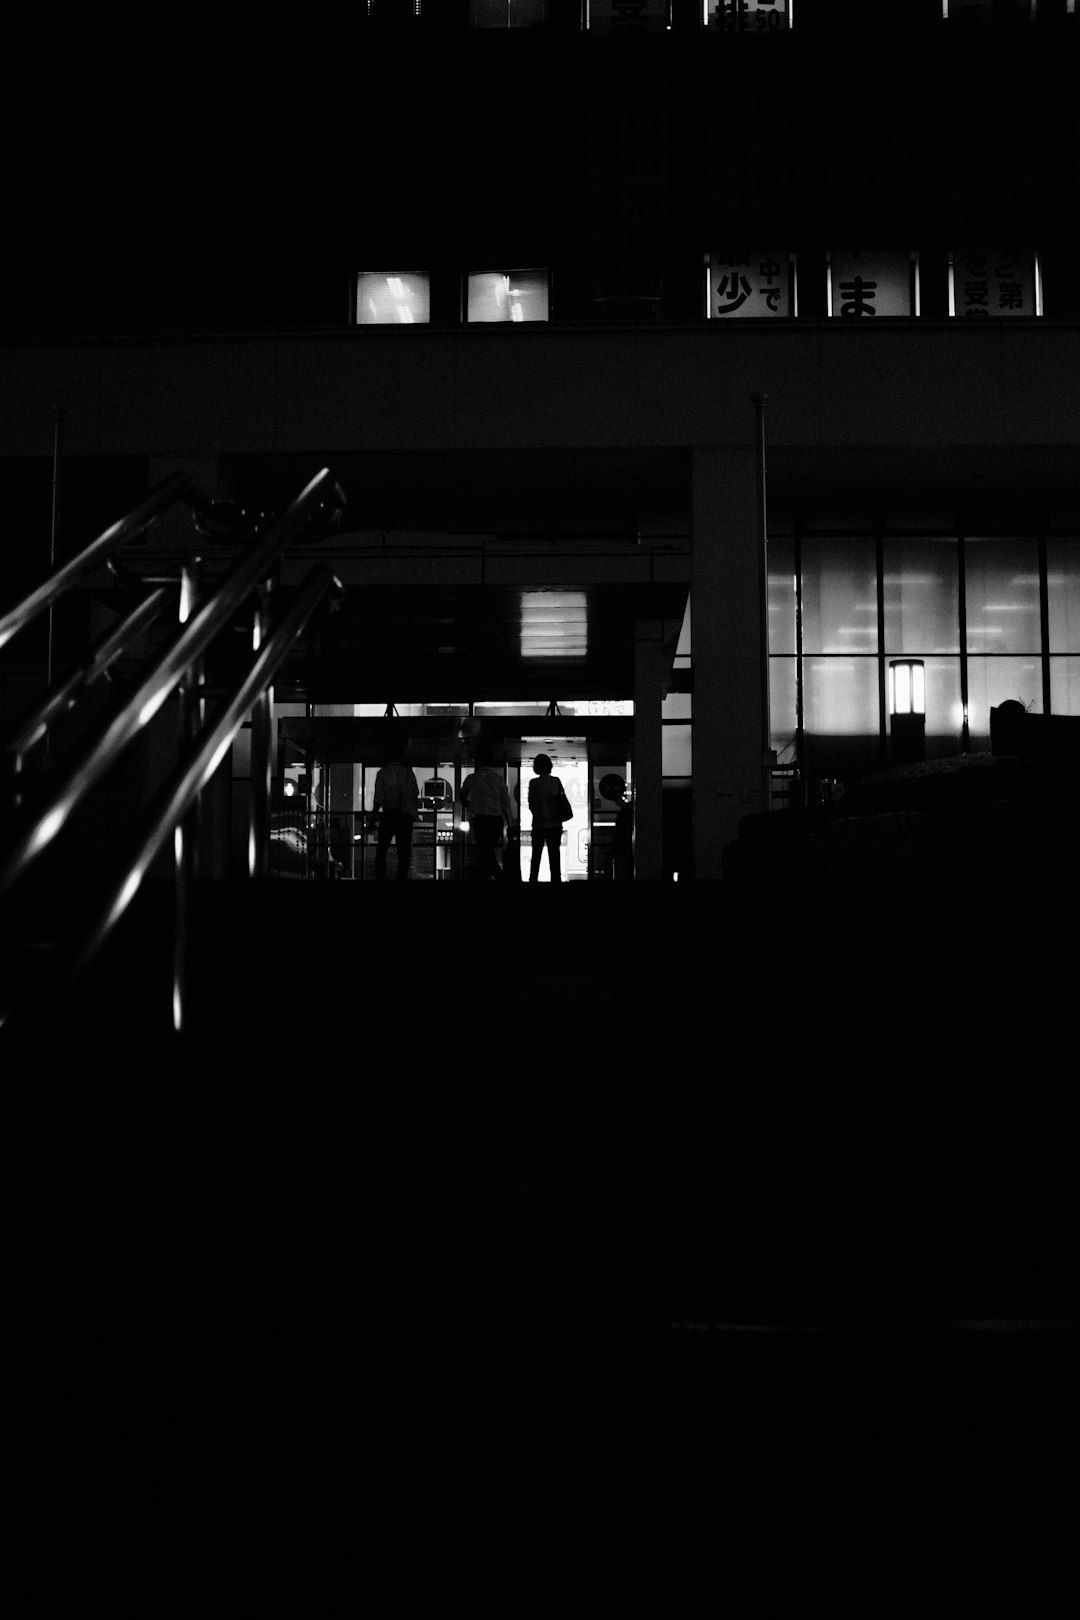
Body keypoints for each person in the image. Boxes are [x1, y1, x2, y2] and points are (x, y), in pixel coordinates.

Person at [460, 743, 515, 882]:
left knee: (484, 851)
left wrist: (468, 804)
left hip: (480, 819)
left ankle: (498, 878)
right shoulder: (498, 779)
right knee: (487, 850)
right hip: (496, 820)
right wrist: (511, 824)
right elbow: (506, 804)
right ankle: (491, 877)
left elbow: (462, 796)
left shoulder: (471, 779)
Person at [373, 739, 419, 880]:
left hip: (388, 814)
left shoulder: (382, 773)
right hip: (404, 815)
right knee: (403, 852)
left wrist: (373, 816)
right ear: (400, 756)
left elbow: (378, 797)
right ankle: (401, 880)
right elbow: (415, 792)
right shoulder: (407, 773)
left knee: (382, 850)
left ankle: (381, 878)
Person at [527, 753, 568, 883]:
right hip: (555, 824)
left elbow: (531, 804)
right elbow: (561, 800)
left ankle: (533, 879)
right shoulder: (556, 781)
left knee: (536, 854)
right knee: (554, 855)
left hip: (539, 824)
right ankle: (556, 880)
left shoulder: (534, 783)